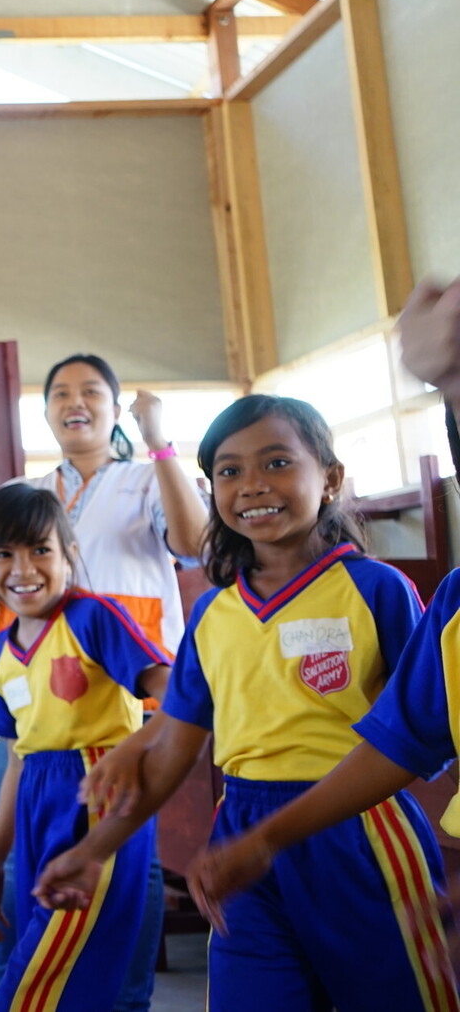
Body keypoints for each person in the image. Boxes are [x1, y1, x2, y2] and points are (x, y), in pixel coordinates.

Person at [34, 395, 456, 1011]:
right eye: (229, 471)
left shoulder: (377, 590)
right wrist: (93, 851)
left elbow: (427, 727)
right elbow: (172, 752)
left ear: (331, 478)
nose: (253, 485)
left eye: (278, 462)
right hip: (238, 841)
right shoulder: (212, 612)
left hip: (363, 834)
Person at [0, 353, 204, 1012]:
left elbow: (194, 540)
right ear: (42, 412)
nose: (75, 400)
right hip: (37, 707)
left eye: (91, 389)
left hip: (124, 713)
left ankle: (118, 996)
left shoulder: (146, 478)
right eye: (60, 391)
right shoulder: (24, 494)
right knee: (23, 872)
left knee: (123, 867)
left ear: (115, 406)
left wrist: (160, 441)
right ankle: (16, 986)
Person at [0, 484, 170, 1012]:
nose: (23, 568)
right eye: (2, 553)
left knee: (46, 972)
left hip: (97, 795)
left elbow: (180, 699)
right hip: (37, 798)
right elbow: (19, 755)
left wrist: (133, 751)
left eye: (40, 549)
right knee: (54, 957)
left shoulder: (93, 618)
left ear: (69, 554)